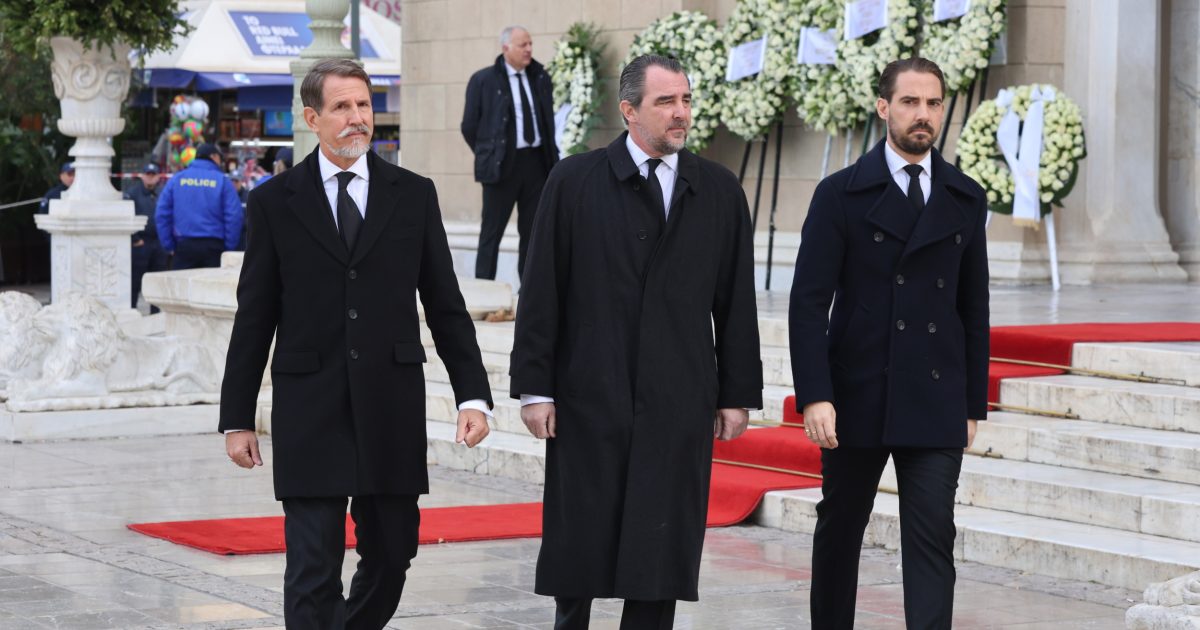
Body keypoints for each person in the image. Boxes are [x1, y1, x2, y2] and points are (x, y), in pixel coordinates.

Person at [219, 58, 493, 630]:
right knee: (312, 567)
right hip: (310, 408)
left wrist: (472, 395)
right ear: (312, 118)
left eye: (364, 105)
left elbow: (445, 304)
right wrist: (237, 417)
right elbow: (255, 316)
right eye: (342, 107)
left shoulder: (413, 195)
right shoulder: (273, 202)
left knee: (393, 554)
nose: (357, 118)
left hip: (390, 405)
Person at [510, 54, 763, 630]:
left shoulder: (719, 190)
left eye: (686, 100)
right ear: (629, 110)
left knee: (660, 548)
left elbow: (736, 302)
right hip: (588, 394)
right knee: (580, 543)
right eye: (665, 102)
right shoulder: (573, 181)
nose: (681, 113)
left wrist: (736, 393)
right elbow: (542, 287)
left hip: (679, 398)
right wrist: (535, 388)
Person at [789, 57, 990, 630]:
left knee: (933, 537)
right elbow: (808, 303)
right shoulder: (840, 194)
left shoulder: (965, 197)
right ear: (883, 108)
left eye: (933, 103)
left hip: (935, 395)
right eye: (910, 102)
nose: (923, 114)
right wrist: (815, 395)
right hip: (857, 393)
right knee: (841, 528)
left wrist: (971, 404)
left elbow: (973, 308)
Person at [461, 25, 558, 281]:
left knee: (533, 232)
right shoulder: (483, 80)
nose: (529, 49)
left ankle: (528, 290)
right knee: (491, 233)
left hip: (537, 164)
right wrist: (489, 153)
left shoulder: (540, 77)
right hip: (502, 165)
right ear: (506, 48)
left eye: (530, 44)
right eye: (522, 45)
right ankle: (484, 289)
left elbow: (547, 122)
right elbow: (469, 126)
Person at [155, 143, 243, 270]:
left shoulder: (177, 179)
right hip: (214, 247)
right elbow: (234, 216)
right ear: (213, 156)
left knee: (182, 283)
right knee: (211, 283)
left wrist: (169, 245)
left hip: (183, 246)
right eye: (220, 158)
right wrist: (229, 247)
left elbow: (162, 214)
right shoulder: (223, 181)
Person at [125, 163, 168, 312]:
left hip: (159, 243)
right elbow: (127, 217)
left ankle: (156, 315)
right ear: (142, 176)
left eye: (153, 175)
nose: (150, 178)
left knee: (157, 283)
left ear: (158, 177)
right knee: (135, 282)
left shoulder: (163, 192)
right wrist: (135, 239)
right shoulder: (132, 193)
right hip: (140, 244)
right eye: (147, 175)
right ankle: (131, 312)